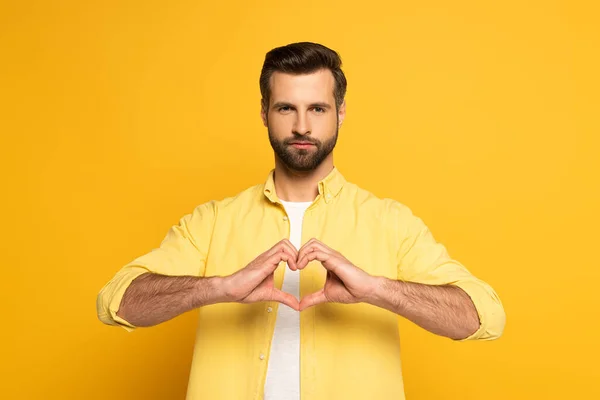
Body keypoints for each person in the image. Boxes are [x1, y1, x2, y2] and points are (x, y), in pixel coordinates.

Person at [96, 41, 505, 400]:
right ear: (264, 112)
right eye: (286, 108)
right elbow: (116, 302)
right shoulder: (215, 221)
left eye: (318, 108)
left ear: (341, 112)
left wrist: (377, 289)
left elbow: (482, 316)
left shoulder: (389, 222)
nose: (302, 126)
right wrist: (218, 287)